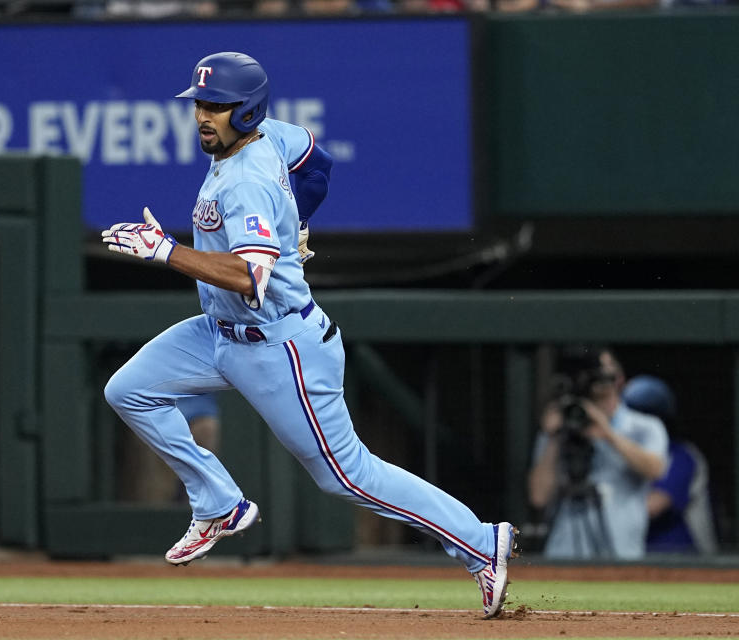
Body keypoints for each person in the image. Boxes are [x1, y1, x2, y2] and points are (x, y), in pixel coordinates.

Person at [101, 51, 518, 619]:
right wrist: (297, 221)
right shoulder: (272, 135)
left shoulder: (246, 178)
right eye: (199, 102)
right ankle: (218, 503)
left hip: (280, 345)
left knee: (348, 475)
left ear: (245, 111)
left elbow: (250, 279)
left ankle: (480, 543)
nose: (203, 114)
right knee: (130, 390)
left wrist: (168, 251)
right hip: (219, 332)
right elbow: (316, 159)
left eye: (217, 106)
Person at [527, 346, 669, 559]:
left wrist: (607, 433)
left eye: (606, 374)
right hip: (563, 554)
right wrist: (554, 439)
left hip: (621, 554)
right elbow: (538, 497)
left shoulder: (644, 426)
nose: (600, 382)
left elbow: (655, 470)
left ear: (619, 378)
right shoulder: (563, 425)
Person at [621, 375, 719, 554]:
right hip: (638, 555)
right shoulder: (623, 454)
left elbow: (654, 505)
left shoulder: (681, 455)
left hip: (686, 560)